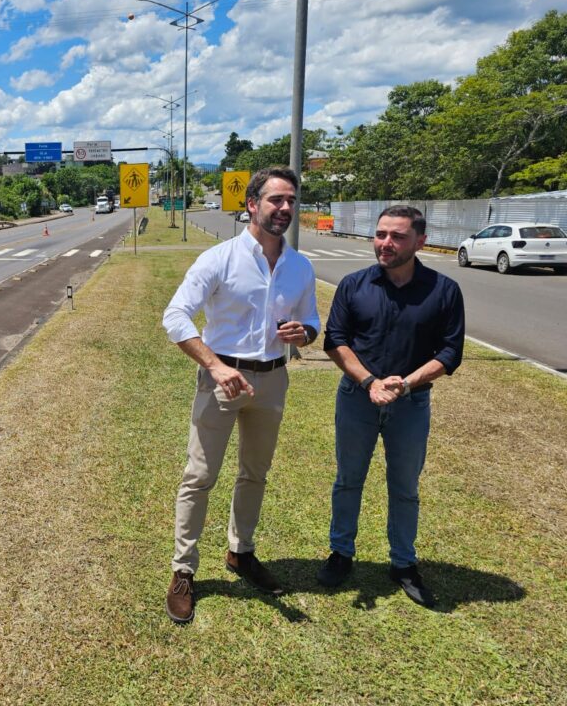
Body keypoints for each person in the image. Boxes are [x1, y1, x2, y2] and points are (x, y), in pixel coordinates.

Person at [162, 166, 319, 624]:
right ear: (252, 205)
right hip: (222, 379)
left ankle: (241, 552)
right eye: (276, 200)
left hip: (272, 379)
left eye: (291, 201)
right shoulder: (220, 259)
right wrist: (214, 365)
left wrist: (304, 333)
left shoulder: (300, 266)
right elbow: (175, 316)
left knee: (255, 473)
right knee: (199, 475)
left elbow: (312, 321)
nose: (285, 208)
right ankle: (183, 570)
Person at [317, 206, 465, 608]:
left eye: (397, 236)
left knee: (404, 487)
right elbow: (335, 340)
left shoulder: (443, 290)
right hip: (357, 399)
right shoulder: (354, 285)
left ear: (420, 241)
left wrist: (406, 384)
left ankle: (403, 563)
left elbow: (450, 351)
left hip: (411, 403)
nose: (385, 243)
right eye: (381, 234)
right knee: (348, 479)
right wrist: (370, 382)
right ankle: (341, 553)